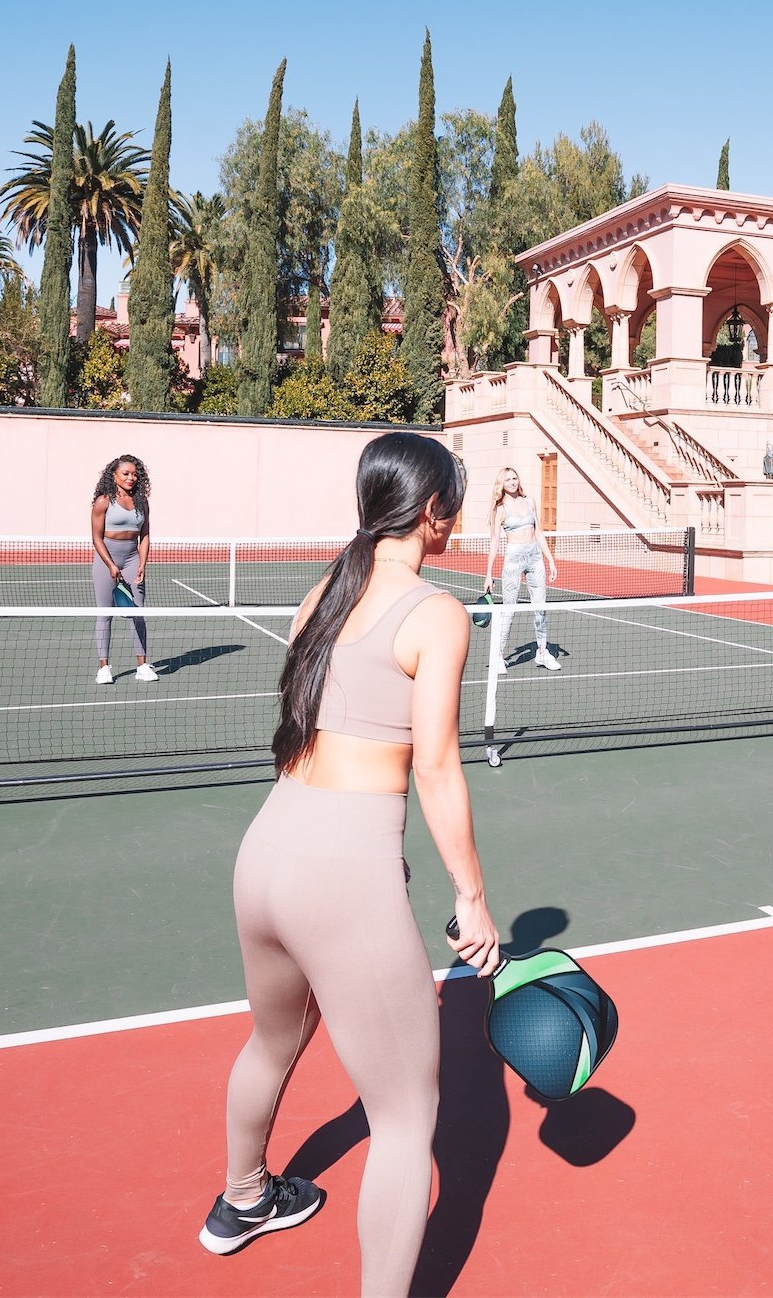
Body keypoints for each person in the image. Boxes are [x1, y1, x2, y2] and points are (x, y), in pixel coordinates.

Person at [201, 432, 504, 1294]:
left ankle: (244, 1197)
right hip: (342, 867)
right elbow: (436, 764)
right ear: (433, 512)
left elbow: (309, 732)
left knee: (271, 1041)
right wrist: (471, 897)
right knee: (408, 1118)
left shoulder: (320, 597)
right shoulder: (437, 612)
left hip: (267, 850)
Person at [482, 467, 560, 670]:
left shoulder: (529, 501)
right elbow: (495, 542)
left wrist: (550, 560)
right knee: (509, 610)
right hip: (513, 559)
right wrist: (488, 574)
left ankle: (542, 652)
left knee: (540, 608)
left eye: (514, 478)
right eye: (507, 479)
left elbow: (539, 533)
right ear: (502, 483)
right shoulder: (500, 509)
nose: (512, 482)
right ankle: (498, 656)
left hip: (535, 557)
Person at [90, 455, 155, 684]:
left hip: (132, 559)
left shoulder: (142, 502)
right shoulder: (103, 501)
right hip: (106, 557)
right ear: (114, 475)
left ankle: (142, 665)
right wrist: (109, 564)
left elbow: (145, 536)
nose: (131, 477)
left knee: (137, 612)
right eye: (126, 473)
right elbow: (96, 538)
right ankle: (104, 667)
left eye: (135, 474)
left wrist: (142, 564)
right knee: (104, 613)